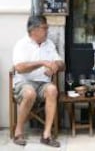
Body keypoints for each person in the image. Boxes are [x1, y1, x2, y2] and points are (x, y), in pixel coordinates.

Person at [12, 15, 65, 147]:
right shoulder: (21, 44)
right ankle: (18, 131)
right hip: (24, 83)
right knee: (30, 93)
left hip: (43, 83)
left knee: (52, 89)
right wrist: (42, 62)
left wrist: (55, 66)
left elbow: (61, 63)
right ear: (33, 30)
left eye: (47, 27)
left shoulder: (49, 44)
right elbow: (19, 68)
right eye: (44, 28)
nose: (47, 31)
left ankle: (46, 135)